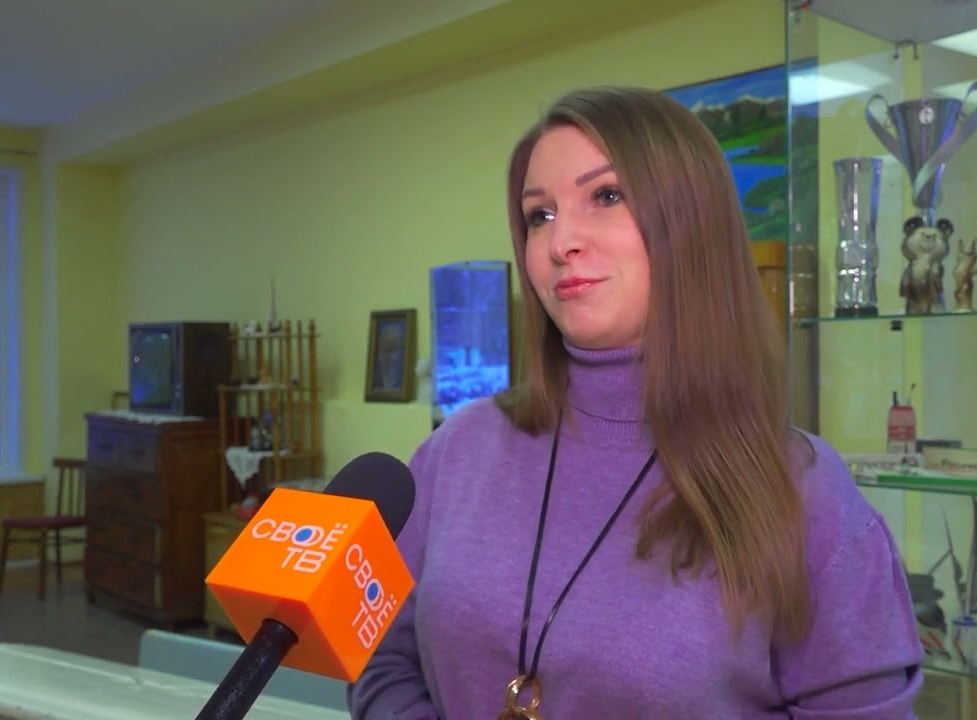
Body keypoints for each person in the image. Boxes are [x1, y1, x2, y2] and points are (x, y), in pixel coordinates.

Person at [347, 86, 924, 720]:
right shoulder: (458, 449)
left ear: (692, 223)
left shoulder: (806, 495)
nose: (561, 241)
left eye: (606, 196)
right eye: (539, 215)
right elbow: (380, 656)